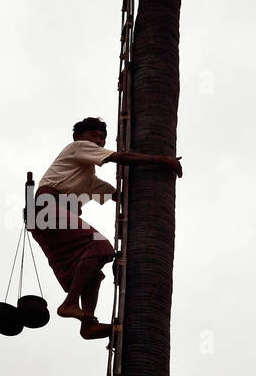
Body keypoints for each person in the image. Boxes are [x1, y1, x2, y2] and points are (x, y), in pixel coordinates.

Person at [31, 116, 182, 340]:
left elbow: (115, 195)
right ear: (79, 137)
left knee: (93, 274)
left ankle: (87, 325)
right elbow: (120, 157)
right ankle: (70, 303)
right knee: (101, 248)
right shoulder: (78, 148)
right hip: (47, 207)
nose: (99, 141)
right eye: (95, 135)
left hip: (44, 219)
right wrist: (161, 160)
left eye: (102, 137)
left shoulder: (87, 179)